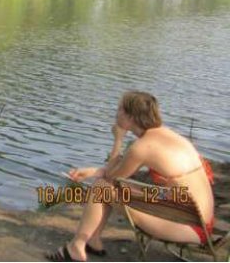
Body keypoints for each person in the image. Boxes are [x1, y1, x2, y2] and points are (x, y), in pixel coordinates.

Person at [47, 91, 214, 262]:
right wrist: (93, 171)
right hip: (197, 218)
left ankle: (76, 247)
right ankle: (93, 239)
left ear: (130, 117)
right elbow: (118, 171)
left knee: (101, 188)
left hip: (188, 226)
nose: (116, 112)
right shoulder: (167, 136)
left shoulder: (141, 147)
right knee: (109, 186)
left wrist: (118, 140)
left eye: (119, 109)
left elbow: (112, 178)